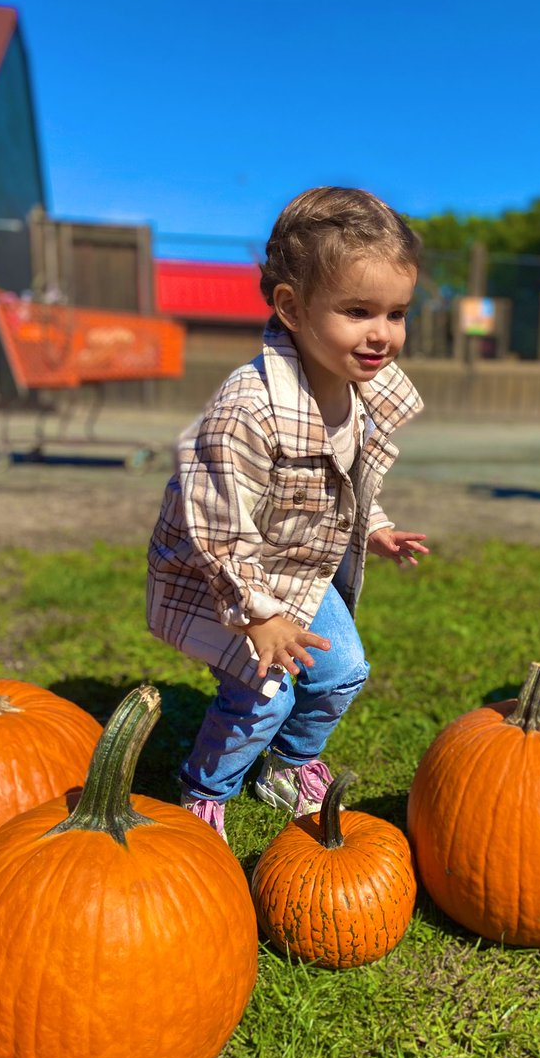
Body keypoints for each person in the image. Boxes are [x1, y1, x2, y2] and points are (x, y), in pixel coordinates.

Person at [146, 187, 429, 842]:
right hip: (226, 572)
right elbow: (214, 523)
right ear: (293, 308)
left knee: (343, 670)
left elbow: (345, 479)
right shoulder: (249, 406)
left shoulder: (356, 390)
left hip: (295, 563)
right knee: (263, 690)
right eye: (359, 311)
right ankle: (205, 791)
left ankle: (288, 764)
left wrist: (377, 525)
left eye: (396, 312)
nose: (382, 333)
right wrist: (260, 614)